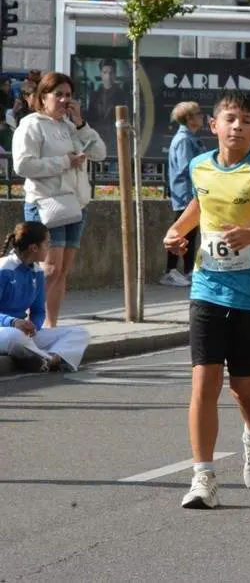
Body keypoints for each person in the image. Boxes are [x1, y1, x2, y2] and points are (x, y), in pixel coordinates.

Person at [163, 90, 250, 509]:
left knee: (244, 388)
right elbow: (201, 203)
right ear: (214, 126)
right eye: (230, 119)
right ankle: (203, 477)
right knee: (204, 383)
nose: (237, 127)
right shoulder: (199, 165)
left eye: (246, 121)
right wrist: (178, 230)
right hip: (207, 288)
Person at [12, 72, 107, 327]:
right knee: (49, 269)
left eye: (68, 95)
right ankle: (32, 321)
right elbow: (22, 165)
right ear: (44, 97)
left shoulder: (70, 126)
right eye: (59, 94)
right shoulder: (32, 125)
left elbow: (100, 153)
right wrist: (64, 162)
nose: (65, 100)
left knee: (62, 270)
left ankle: (51, 325)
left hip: (75, 205)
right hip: (46, 203)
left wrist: (81, 124)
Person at [0, 221, 91, 373]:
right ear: (34, 248)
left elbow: (39, 310)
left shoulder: (38, 272)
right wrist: (13, 322)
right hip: (6, 331)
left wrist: (33, 327)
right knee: (15, 337)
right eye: (47, 243)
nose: (49, 247)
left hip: (22, 333)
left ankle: (49, 359)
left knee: (80, 333)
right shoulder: (4, 269)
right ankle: (48, 360)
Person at [161, 101, 205, 288]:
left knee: (189, 235)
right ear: (189, 118)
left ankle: (188, 271)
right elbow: (188, 167)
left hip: (189, 194)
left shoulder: (189, 138)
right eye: (198, 113)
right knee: (180, 233)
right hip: (185, 194)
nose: (202, 116)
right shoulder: (184, 140)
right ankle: (170, 272)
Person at [86, 59, 129, 146]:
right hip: (97, 138)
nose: (108, 76)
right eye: (105, 72)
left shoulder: (123, 95)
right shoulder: (94, 95)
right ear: (101, 74)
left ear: (115, 74)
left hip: (116, 139)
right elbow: (90, 117)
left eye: (111, 73)